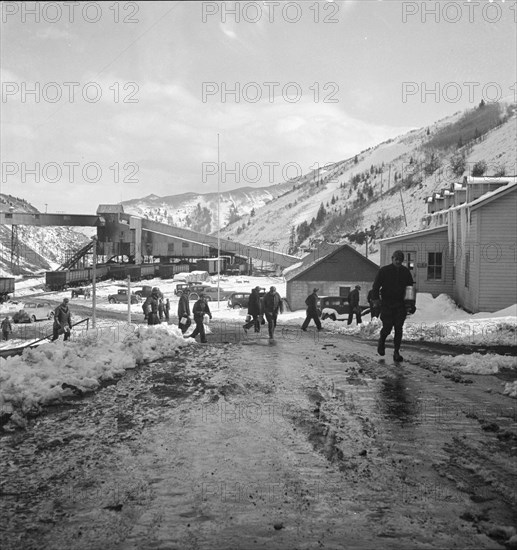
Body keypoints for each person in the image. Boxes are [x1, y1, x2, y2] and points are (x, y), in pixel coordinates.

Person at [371, 250, 414, 362]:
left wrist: (411, 304)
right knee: (387, 327)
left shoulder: (406, 272)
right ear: (392, 258)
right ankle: (382, 341)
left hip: (400, 304)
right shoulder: (384, 271)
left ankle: (396, 352)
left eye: (401, 260)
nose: (398, 261)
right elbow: (376, 286)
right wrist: (376, 300)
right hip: (387, 304)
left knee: (398, 328)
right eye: (396, 259)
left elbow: (410, 289)